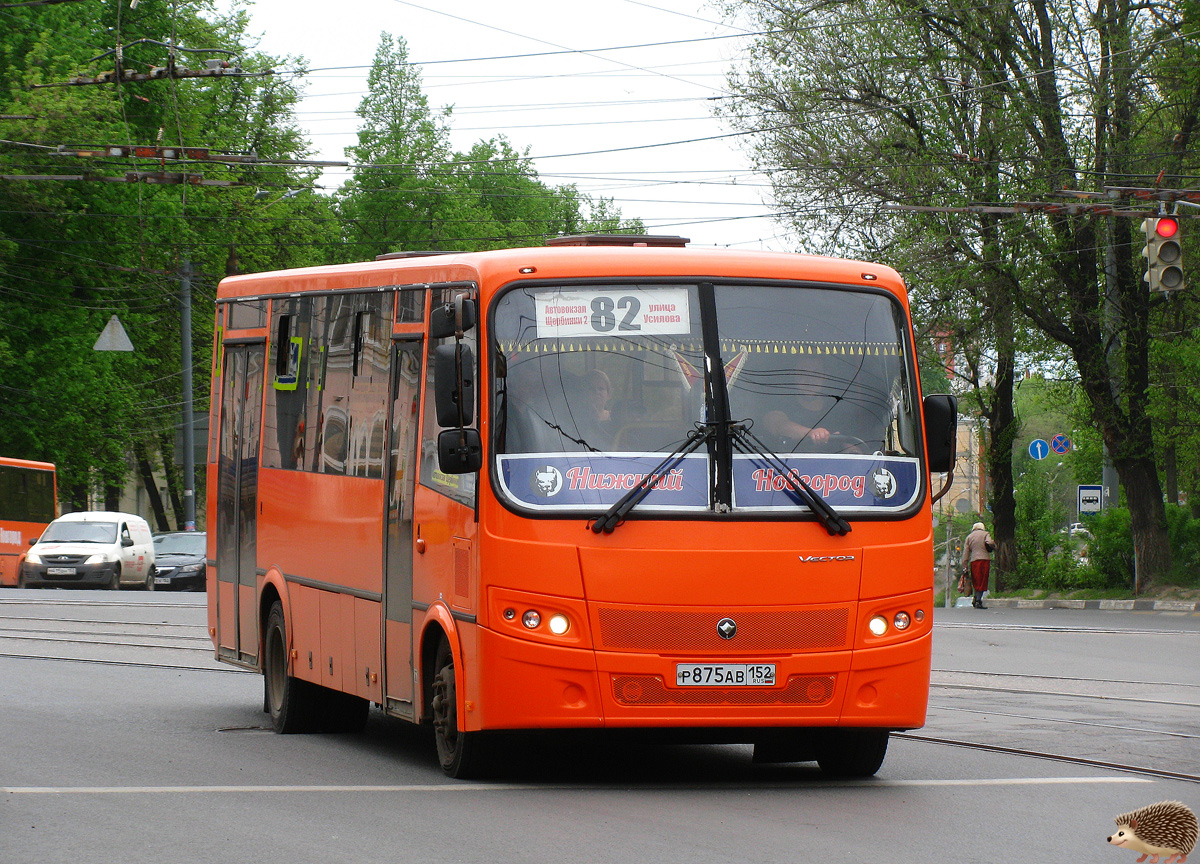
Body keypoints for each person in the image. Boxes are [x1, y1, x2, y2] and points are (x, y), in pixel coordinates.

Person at [960, 522, 995, 609]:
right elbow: (989, 542)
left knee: (976, 580)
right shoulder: (985, 534)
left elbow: (966, 552)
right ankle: (978, 600)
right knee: (983, 580)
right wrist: (994, 546)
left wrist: (965, 564)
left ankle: (976, 599)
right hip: (984, 560)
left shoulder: (969, 537)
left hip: (974, 561)